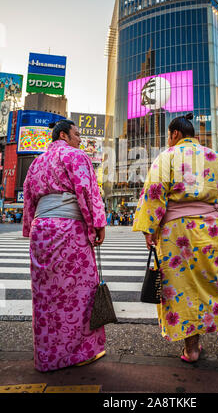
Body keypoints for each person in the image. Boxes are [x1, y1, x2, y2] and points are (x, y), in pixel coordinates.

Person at [133, 113, 218, 362]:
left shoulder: (167, 157)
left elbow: (154, 195)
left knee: (181, 288)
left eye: (169, 136)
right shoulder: (215, 158)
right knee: (216, 284)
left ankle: (192, 349)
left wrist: (149, 229)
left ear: (174, 134)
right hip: (211, 231)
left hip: (177, 232)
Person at [23, 119, 107, 372]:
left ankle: (48, 356)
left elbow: (29, 200)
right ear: (63, 135)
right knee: (77, 293)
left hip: (42, 230)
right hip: (69, 229)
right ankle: (78, 352)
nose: (80, 139)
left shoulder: (37, 162)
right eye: (77, 134)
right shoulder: (74, 156)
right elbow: (86, 191)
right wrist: (98, 223)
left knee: (46, 294)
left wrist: (30, 228)